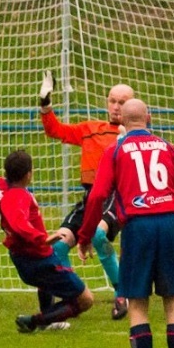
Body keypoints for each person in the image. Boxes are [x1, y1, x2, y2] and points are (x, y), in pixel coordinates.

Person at [77, 98, 174, 348]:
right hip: (170, 224)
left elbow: (97, 196)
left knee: (138, 303)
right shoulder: (167, 148)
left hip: (138, 227)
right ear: (149, 118)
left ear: (121, 123)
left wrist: (85, 235)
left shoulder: (115, 151)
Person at [0, 149, 94, 332]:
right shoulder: (17, 196)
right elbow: (17, 223)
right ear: (28, 174)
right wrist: (42, 239)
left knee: (47, 281)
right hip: (38, 259)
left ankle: (47, 317)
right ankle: (34, 321)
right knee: (85, 300)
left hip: (22, 256)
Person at [38, 70, 130, 320]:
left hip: (116, 197)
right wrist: (45, 104)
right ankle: (73, 295)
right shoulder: (91, 128)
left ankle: (122, 293)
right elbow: (56, 130)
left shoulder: (135, 135)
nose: (116, 106)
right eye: (113, 100)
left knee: (99, 234)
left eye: (122, 102)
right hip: (90, 198)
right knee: (56, 246)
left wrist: (126, 139)